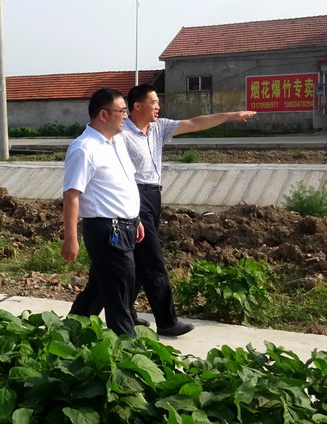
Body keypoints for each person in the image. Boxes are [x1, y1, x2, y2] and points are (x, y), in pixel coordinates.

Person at [121, 84, 255, 335]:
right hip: (133, 196)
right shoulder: (122, 133)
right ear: (137, 106)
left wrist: (230, 115)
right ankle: (166, 321)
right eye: (154, 102)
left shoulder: (159, 128)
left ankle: (125, 311)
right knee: (153, 260)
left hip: (153, 195)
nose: (158, 106)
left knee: (139, 257)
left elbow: (195, 123)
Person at [64, 88, 144, 337]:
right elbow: (71, 194)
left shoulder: (116, 142)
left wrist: (135, 218)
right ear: (103, 114)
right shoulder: (84, 148)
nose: (126, 116)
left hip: (125, 226)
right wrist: (71, 238)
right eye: (122, 111)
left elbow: (120, 186)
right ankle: (128, 347)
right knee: (121, 292)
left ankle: (70, 334)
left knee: (99, 288)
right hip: (108, 230)